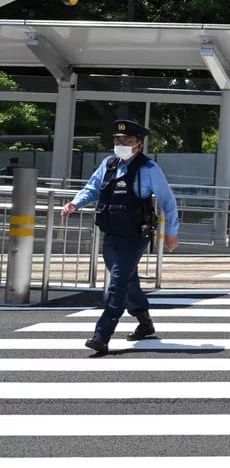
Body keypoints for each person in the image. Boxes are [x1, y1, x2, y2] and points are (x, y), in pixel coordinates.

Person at [61, 119, 179, 355]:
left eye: (127, 141)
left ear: (139, 145)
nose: (121, 144)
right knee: (128, 280)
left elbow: (168, 201)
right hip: (111, 233)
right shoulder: (109, 164)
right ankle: (144, 323)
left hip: (134, 236)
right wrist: (74, 203)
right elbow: (93, 188)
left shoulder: (149, 169)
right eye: (118, 140)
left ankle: (101, 336)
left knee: (117, 283)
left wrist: (171, 233)